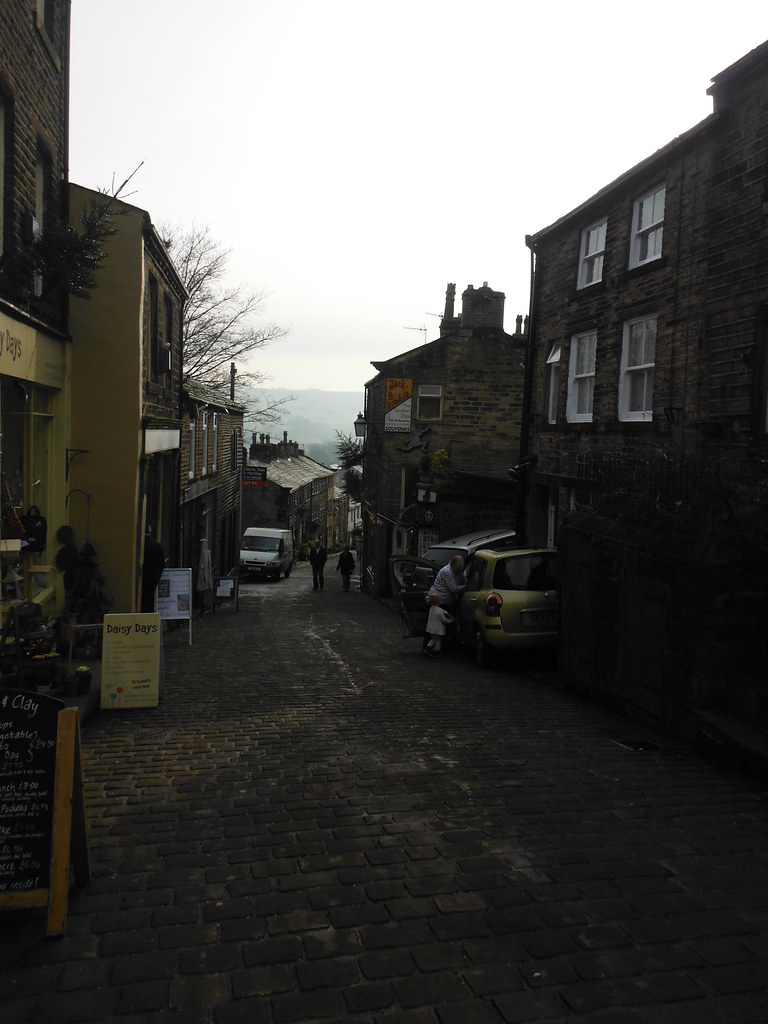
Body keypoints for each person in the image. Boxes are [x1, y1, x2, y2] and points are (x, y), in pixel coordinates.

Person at [141, 527, 165, 613]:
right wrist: (157, 577)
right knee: (149, 602)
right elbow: (161, 564)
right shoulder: (157, 546)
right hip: (152, 579)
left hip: (142, 577)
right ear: (150, 531)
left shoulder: (140, 544)